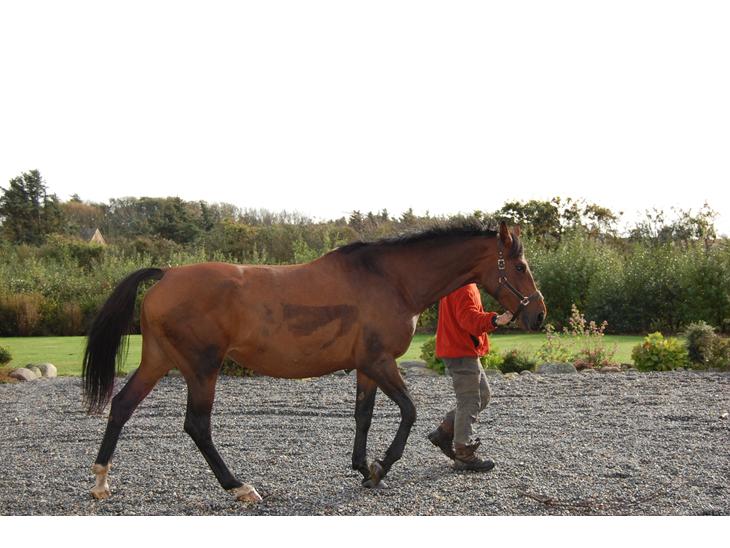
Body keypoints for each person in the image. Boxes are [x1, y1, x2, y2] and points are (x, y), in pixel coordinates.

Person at [428, 283, 513, 471]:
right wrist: (496, 320)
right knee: (469, 401)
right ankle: (463, 454)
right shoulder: (463, 287)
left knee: (483, 395)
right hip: (460, 351)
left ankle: (445, 431)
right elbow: (468, 320)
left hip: (460, 349)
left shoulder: (459, 282)